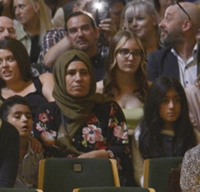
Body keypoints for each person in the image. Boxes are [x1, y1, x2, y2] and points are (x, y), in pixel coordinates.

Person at [35, 51, 134, 179]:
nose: (78, 78)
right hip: (60, 181)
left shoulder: (108, 109)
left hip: (102, 180)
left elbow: (122, 150)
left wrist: (103, 155)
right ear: (60, 77)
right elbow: (44, 153)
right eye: (71, 73)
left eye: (84, 73)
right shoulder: (48, 112)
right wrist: (81, 163)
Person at [137, 79, 200, 178]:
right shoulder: (140, 134)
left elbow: (198, 172)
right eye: (165, 101)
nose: (172, 106)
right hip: (152, 190)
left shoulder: (194, 135)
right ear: (154, 103)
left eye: (177, 100)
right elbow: (139, 173)